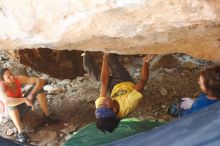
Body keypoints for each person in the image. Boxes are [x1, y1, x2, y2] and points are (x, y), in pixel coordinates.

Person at [94, 53, 154, 133]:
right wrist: (145, 62)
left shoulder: (101, 108)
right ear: (114, 109)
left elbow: (104, 82)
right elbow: (143, 80)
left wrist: (105, 57)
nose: (103, 101)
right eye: (105, 104)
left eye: (101, 105)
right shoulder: (129, 102)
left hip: (113, 88)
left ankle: (86, 53)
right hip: (124, 81)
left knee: (93, 69)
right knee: (112, 58)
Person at [0, 68, 58, 143]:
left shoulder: (18, 79)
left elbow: (39, 81)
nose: (12, 77)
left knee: (38, 88)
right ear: (3, 81)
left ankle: (47, 116)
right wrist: (24, 99)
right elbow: (7, 102)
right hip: (10, 114)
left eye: (11, 74)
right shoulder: (1, 87)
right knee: (11, 103)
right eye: (8, 77)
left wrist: (31, 94)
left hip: (22, 106)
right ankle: (21, 132)